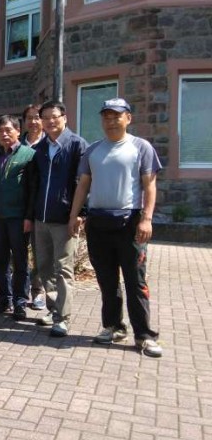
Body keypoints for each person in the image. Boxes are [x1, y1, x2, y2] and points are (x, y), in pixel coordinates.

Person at [68, 98, 163, 357]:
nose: (111, 121)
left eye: (116, 116)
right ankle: (113, 326)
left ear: (128, 118)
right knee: (107, 282)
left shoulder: (141, 147)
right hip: (98, 223)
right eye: (106, 116)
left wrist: (147, 218)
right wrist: (74, 215)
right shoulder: (93, 150)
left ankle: (144, 335)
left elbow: (150, 186)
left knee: (135, 281)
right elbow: (83, 186)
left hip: (130, 223)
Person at [29, 101, 88, 337]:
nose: (50, 121)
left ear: (64, 117)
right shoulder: (41, 148)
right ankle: (54, 309)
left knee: (63, 268)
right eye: (45, 117)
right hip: (41, 218)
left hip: (65, 219)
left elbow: (83, 183)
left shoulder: (77, 145)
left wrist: (80, 213)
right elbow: (36, 183)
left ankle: (63, 318)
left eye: (54, 116)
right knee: (44, 267)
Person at [0, 115, 35, 320]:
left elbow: (32, 190)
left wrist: (29, 217)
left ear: (18, 131)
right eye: (1, 130)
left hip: (18, 217)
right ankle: (4, 298)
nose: (4, 134)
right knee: (0, 261)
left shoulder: (29, 155)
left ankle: (20, 301)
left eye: (8, 130)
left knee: (20, 261)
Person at [21, 103, 47, 310]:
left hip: (39, 209)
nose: (33, 121)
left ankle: (38, 292)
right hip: (17, 209)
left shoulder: (48, 145)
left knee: (39, 254)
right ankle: (19, 291)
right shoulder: (16, 145)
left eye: (37, 117)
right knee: (17, 253)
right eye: (29, 117)